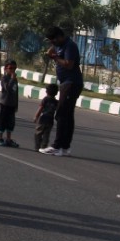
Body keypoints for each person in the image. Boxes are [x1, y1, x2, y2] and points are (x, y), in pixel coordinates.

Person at [40, 26, 83, 156]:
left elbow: (69, 64)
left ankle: (57, 145)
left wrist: (55, 58)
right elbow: (51, 50)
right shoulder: (60, 45)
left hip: (71, 83)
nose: (52, 44)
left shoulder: (70, 46)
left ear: (59, 36)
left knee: (61, 114)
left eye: (53, 40)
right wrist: (52, 50)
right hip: (67, 83)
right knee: (68, 116)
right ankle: (65, 147)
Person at [0, 60, 20, 147]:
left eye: (14, 68)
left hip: (12, 105)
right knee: (3, 121)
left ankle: (8, 139)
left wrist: (16, 104)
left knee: (11, 123)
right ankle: (0, 138)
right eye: (10, 68)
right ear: (5, 69)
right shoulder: (4, 78)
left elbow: (16, 92)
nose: (12, 70)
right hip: (5, 104)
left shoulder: (15, 79)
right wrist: (12, 79)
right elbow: (8, 88)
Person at [34, 82, 59, 152]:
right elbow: (58, 111)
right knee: (46, 134)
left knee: (38, 133)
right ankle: (43, 146)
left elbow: (40, 108)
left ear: (46, 91)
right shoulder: (56, 102)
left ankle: (37, 146)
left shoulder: (45, 99)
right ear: (56, 93)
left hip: (42, 119)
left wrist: (36, 116)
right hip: (50, 120)